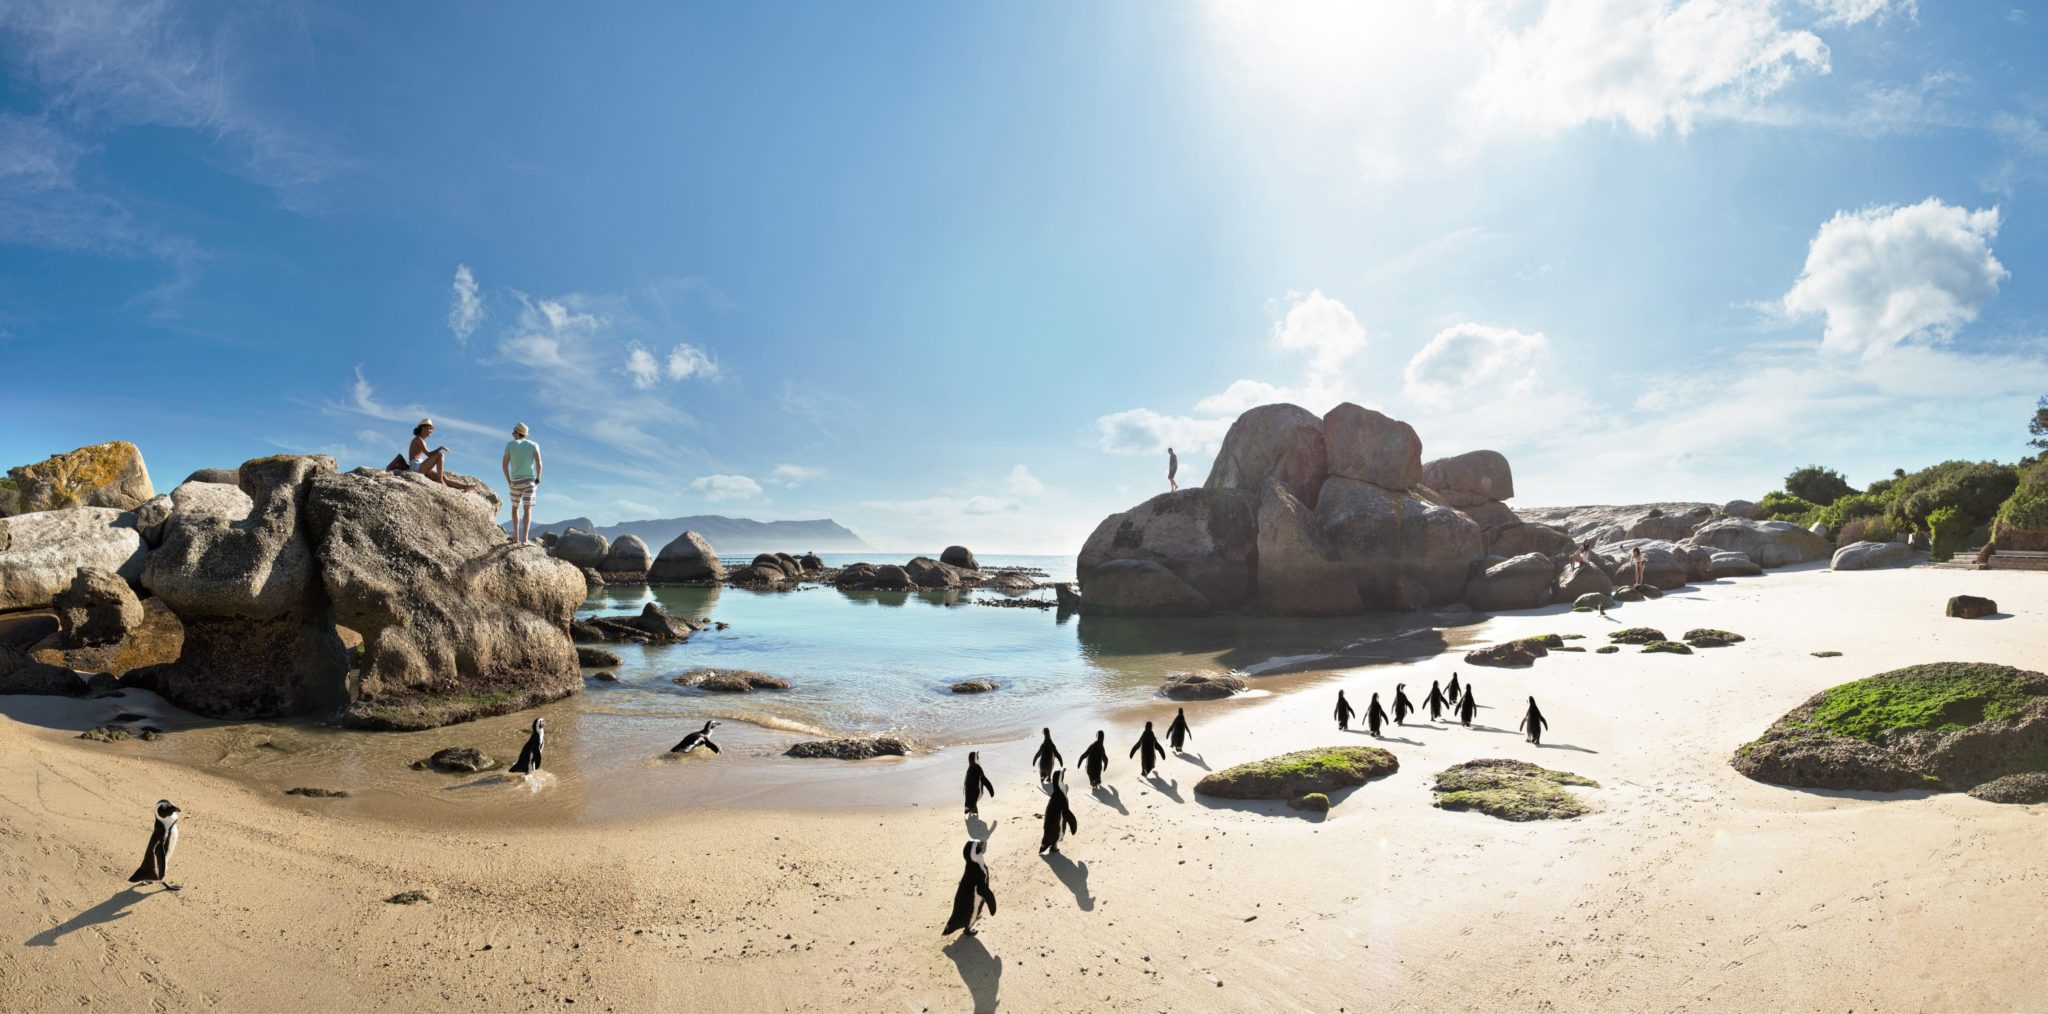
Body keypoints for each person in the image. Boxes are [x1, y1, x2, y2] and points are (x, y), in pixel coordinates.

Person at [502, 422, 543, 545]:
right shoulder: (534, 445)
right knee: (527, 509)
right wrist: (538, 478)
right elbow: (539, 463)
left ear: (517, 433)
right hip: (529, 481)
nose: (512, 433)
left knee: (515, 508)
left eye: (513, 431)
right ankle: (525, 540)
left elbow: (504, 466)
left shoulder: (510, 445)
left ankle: (516, 537)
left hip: (515, 481)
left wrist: (509, 481)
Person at [406, 419, 475, 491]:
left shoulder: (422, 440)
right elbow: (428, 454)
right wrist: (440, 448)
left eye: (431, 429)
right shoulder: (418, 439)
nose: (431, 431)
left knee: (443, 477)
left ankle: (465, 487)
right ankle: (440, 480)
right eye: (429, 428)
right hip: (416, 466)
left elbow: (429, 455)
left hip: (420, 465)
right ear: (423, 428)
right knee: (440, 455)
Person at [1039, 770, 1077, 855]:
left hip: (1050, 824)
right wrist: (1073, 825)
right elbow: (1067, 813)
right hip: (1055, 827)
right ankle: (1053, 845)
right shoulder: (1060, 796)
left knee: (1052, 827)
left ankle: (1047, 844)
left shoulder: (1055, 794)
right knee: (1057, 828)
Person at [963, 750, 995, 817]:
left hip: (967, 796)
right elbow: (985, 781)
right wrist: (991, 791)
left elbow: (966, 783)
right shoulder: (978, 769)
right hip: (976, 794)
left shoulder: (969, 769)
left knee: (970, 789)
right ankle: (973, 806)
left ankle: (968, 806)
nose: (978, 758)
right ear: (976, 759)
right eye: (977, 757)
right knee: (975, 791)